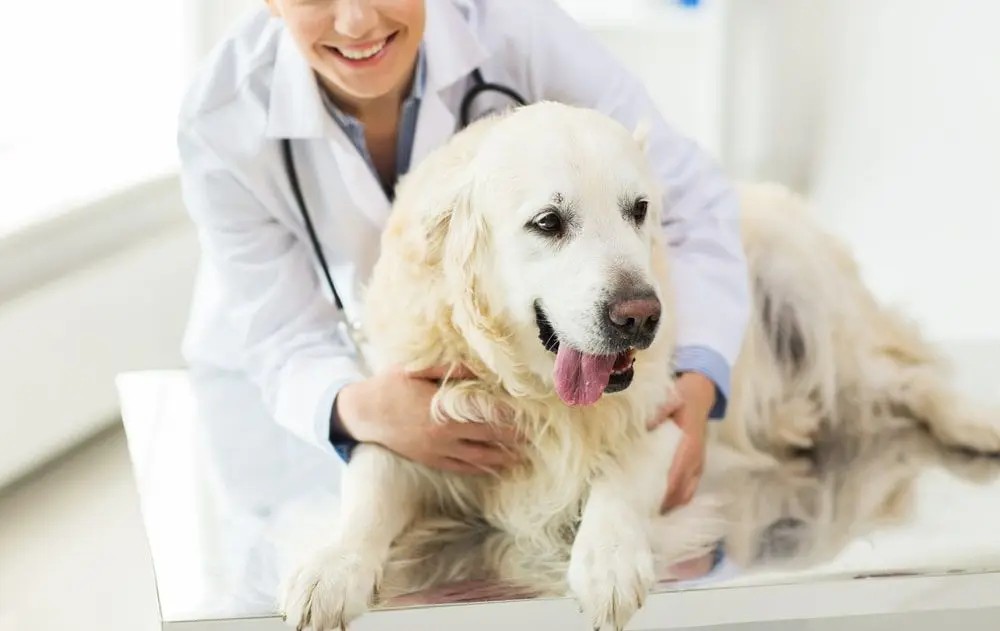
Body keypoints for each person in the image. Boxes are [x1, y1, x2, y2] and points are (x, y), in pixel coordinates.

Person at [177, 0, 750, 512]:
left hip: (509, 388)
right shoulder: (221, 113)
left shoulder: (519, 30)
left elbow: (686, 200)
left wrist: (696, 377)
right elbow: (279, 332)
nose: (357, 22)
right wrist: (355, 408)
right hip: (278, 390)